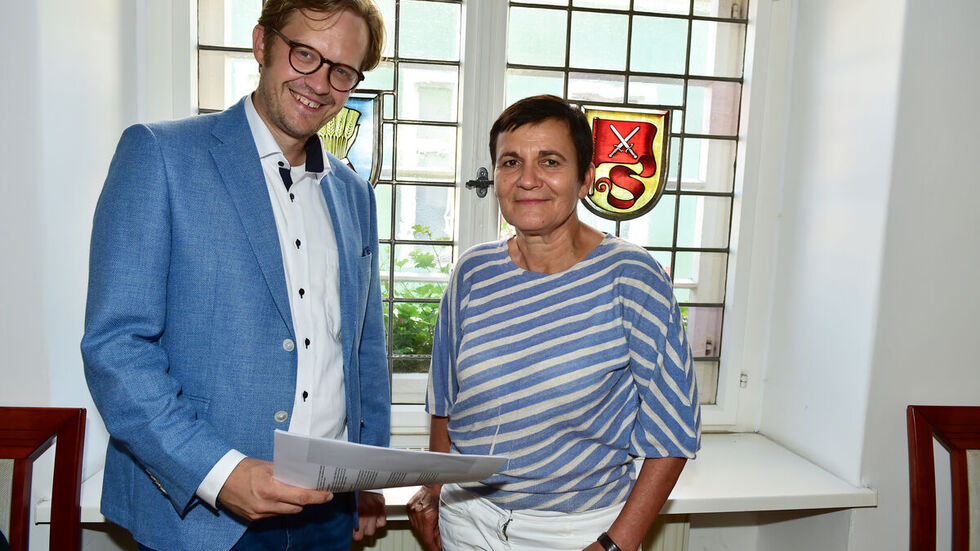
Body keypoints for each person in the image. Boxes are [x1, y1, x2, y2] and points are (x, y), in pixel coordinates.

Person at [81, 2, 390, 550]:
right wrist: (219, 474)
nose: (320, 83)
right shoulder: (159, 154)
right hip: (202, 515)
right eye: (305, 54)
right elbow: (117, 347)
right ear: (262, 44)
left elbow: (364, 346)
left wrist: (369, 478)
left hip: (328, 514)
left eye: (341, 70)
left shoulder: (354, 193)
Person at [406, 95, 701, 551]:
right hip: (468, 521)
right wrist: (435, 486)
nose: (527, 180)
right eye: (510, 162)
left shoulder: (633, 278)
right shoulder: (472, 272)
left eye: (549, 161)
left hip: (578, 531)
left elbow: (674, 432)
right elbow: (444, 399)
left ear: (585, 178)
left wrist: (614, 545)